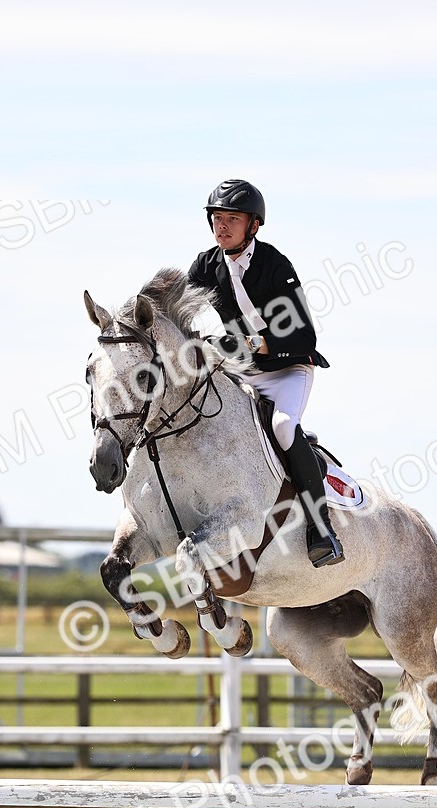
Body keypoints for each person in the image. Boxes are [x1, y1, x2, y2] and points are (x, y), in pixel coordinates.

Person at [188, 179, 344, 568]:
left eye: (232, 220)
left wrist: (246, 344)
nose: (222, 227)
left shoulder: (275, 265)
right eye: (217, 219)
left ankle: (321, 528)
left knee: (283, 428)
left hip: (289, 368)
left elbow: (304, 333)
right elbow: (179, 306)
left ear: (253, 225)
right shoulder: (206, 265)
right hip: (243, 370)